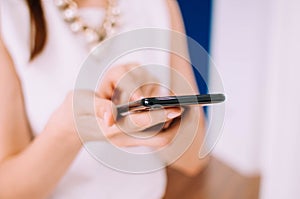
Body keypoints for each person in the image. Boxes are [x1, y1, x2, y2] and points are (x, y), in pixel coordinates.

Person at [0, 0, 205, 198]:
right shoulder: (8, 16)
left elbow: (195, 159)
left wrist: (163, 125)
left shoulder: (158, 4)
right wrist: (68, 131)